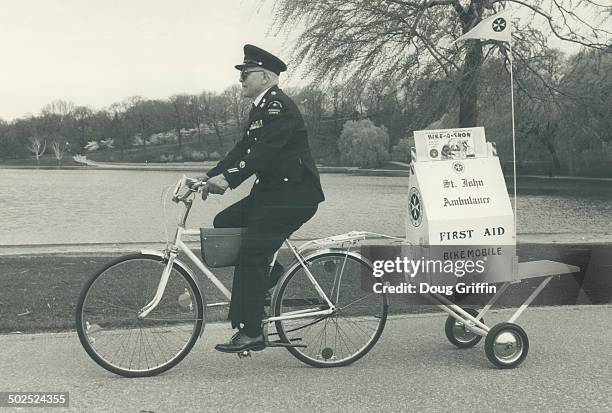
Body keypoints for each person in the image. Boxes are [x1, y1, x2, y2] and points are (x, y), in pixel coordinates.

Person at [198, 44, 325, 353]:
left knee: (253, 252)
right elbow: (242, 149)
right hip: (273, 194)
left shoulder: (278, 107)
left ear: (266, 77)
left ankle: (252, 330)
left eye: (246, 73)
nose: (241, 78)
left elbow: (264, 153)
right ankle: (270, 281)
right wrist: (209, 175)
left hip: (293, 195)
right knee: (225, 221)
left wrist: (228, 180)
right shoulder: (260, 107)